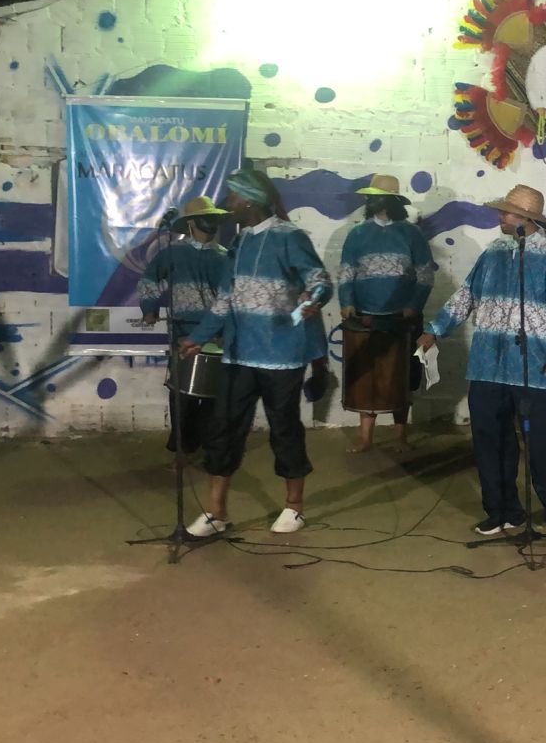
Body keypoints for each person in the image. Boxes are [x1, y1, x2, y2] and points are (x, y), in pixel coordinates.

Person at [416, 185, 546, 537]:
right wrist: (435, 329)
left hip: (538, 368)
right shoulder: (493, 253)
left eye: (505, 212)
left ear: (525, 219)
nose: (499, 216)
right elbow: (466, 296)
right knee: (490, 441)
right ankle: (502, 511)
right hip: (489, 366)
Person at [179, 170, 333, 536]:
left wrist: (312, 301)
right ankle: (216, 513)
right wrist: (198, 337)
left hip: (281, 354)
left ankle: (294, 508)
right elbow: (225, 298)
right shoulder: (239, 242)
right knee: (224, 429)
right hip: (238, 354)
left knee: (284, 428)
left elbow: (320, 281)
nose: (227, 204)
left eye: (232, 197)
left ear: (249, 200)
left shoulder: (290, 237)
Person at [338, 174, 436, 453]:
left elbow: (425, 276)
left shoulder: (412, 234)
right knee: (366, 375)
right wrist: (346, 301)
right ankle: (365, 438)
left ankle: (400, 437)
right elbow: (346, 272)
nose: (370, 201)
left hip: (402, 318)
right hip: (365, 317)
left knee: (400, 376)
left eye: (376, 196)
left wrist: (413, 306)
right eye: (370, 196)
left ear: (392, 201)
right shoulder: (357, 234)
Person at [137, 195, 232, 462]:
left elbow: (232, 298)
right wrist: (149, 308)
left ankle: (210, 448)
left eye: (212, 219)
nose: (209, 224)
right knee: (182, 396)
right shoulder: (172, 253)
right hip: (183, 334)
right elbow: (148, 280)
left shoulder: (226, 257)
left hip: (217, 335)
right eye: (204, 219)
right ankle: (181, 449)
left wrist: (226, 330)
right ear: (191, 223)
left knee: (214, 396)